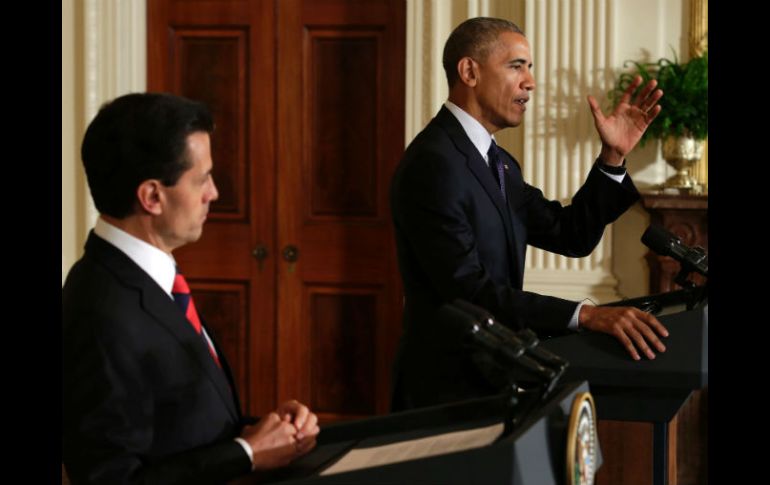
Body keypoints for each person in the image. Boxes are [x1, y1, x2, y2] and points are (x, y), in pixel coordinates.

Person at [389, 17, 670, 410]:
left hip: (494, 380)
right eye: (516, 65)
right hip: (444, 391)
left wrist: (613, 157)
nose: (530, 82)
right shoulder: (433, 163)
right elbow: (468, 291)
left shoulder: (500, 163)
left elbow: (570, 234)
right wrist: (584, 316)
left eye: (530, 68)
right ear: (469, 71)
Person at [62, 93, 320, 484]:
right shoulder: (100, 311)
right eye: (202, 179)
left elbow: (178, 428)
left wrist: (267, 434)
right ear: (152, 196)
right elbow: (110, 478)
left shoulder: (149, 276)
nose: (213, 193)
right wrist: (246, 454)